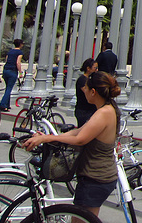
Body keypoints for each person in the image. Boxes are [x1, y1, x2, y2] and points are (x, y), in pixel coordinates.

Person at [24, 71, 120, 218]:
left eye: (86, 88)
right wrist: (49, 137)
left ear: (93, 92)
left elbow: (80, 139)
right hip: (98, 176)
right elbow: (77, 132)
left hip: (96, 177)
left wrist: (46, 139)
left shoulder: (104, 113)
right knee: (84, 219)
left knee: (82, 219)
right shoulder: (106, 109)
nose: (83, 91)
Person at [0, 39, 24, 111]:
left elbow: (7, 60)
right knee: (9, 89)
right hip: (12, 71)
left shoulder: (10, 51)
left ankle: (7, 104)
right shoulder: (20, 52)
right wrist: (20, 72)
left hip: (6, 70)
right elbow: (18, 63)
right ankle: (3, 105)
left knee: (7, 88)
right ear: (20, 44)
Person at [75, 58, 99, 127]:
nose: (96, 70)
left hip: (90, 109)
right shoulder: (82, 80)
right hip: (84, 110)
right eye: (95, 68)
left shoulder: (90, 79)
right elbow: (87, 93)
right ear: (88, 68)